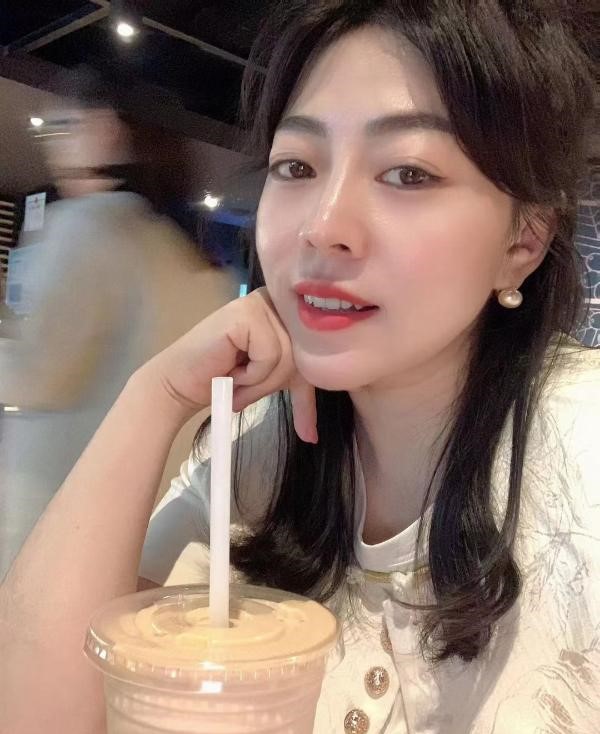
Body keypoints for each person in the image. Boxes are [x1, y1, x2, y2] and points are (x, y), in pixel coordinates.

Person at [1, 2, 599, 732]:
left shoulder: (584, 453)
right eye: (297, 166)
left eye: (408, 172)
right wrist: (153, 397)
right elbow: (38, 714)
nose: (322, 226)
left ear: (524, 241)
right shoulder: (258, 451)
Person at [0, 66, 237, 577]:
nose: (53, 147)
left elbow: (40, 375)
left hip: (58, 516)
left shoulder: (86, 228)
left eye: (64, 126)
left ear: (104, 128)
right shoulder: (196, 260)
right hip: (155, 527)